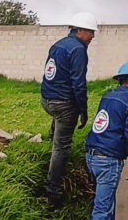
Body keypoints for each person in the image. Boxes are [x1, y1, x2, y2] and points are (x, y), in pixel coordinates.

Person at [40, 11, 97, 208]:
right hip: (63, 104)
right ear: (80, 30)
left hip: (46, 100)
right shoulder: (78, 49)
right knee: (62, 148)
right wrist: (83, 110)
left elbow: (50, 74)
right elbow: (78, 84)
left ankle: (51, 138)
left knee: (57, 130)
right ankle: (53, 193)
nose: (93, 36)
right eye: (91, 32)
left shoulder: (58, 44)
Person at [85, 61, 128, 220]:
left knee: (107, 204)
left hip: (91, 156)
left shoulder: (107, 97)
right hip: (108, 160)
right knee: (102, 210)